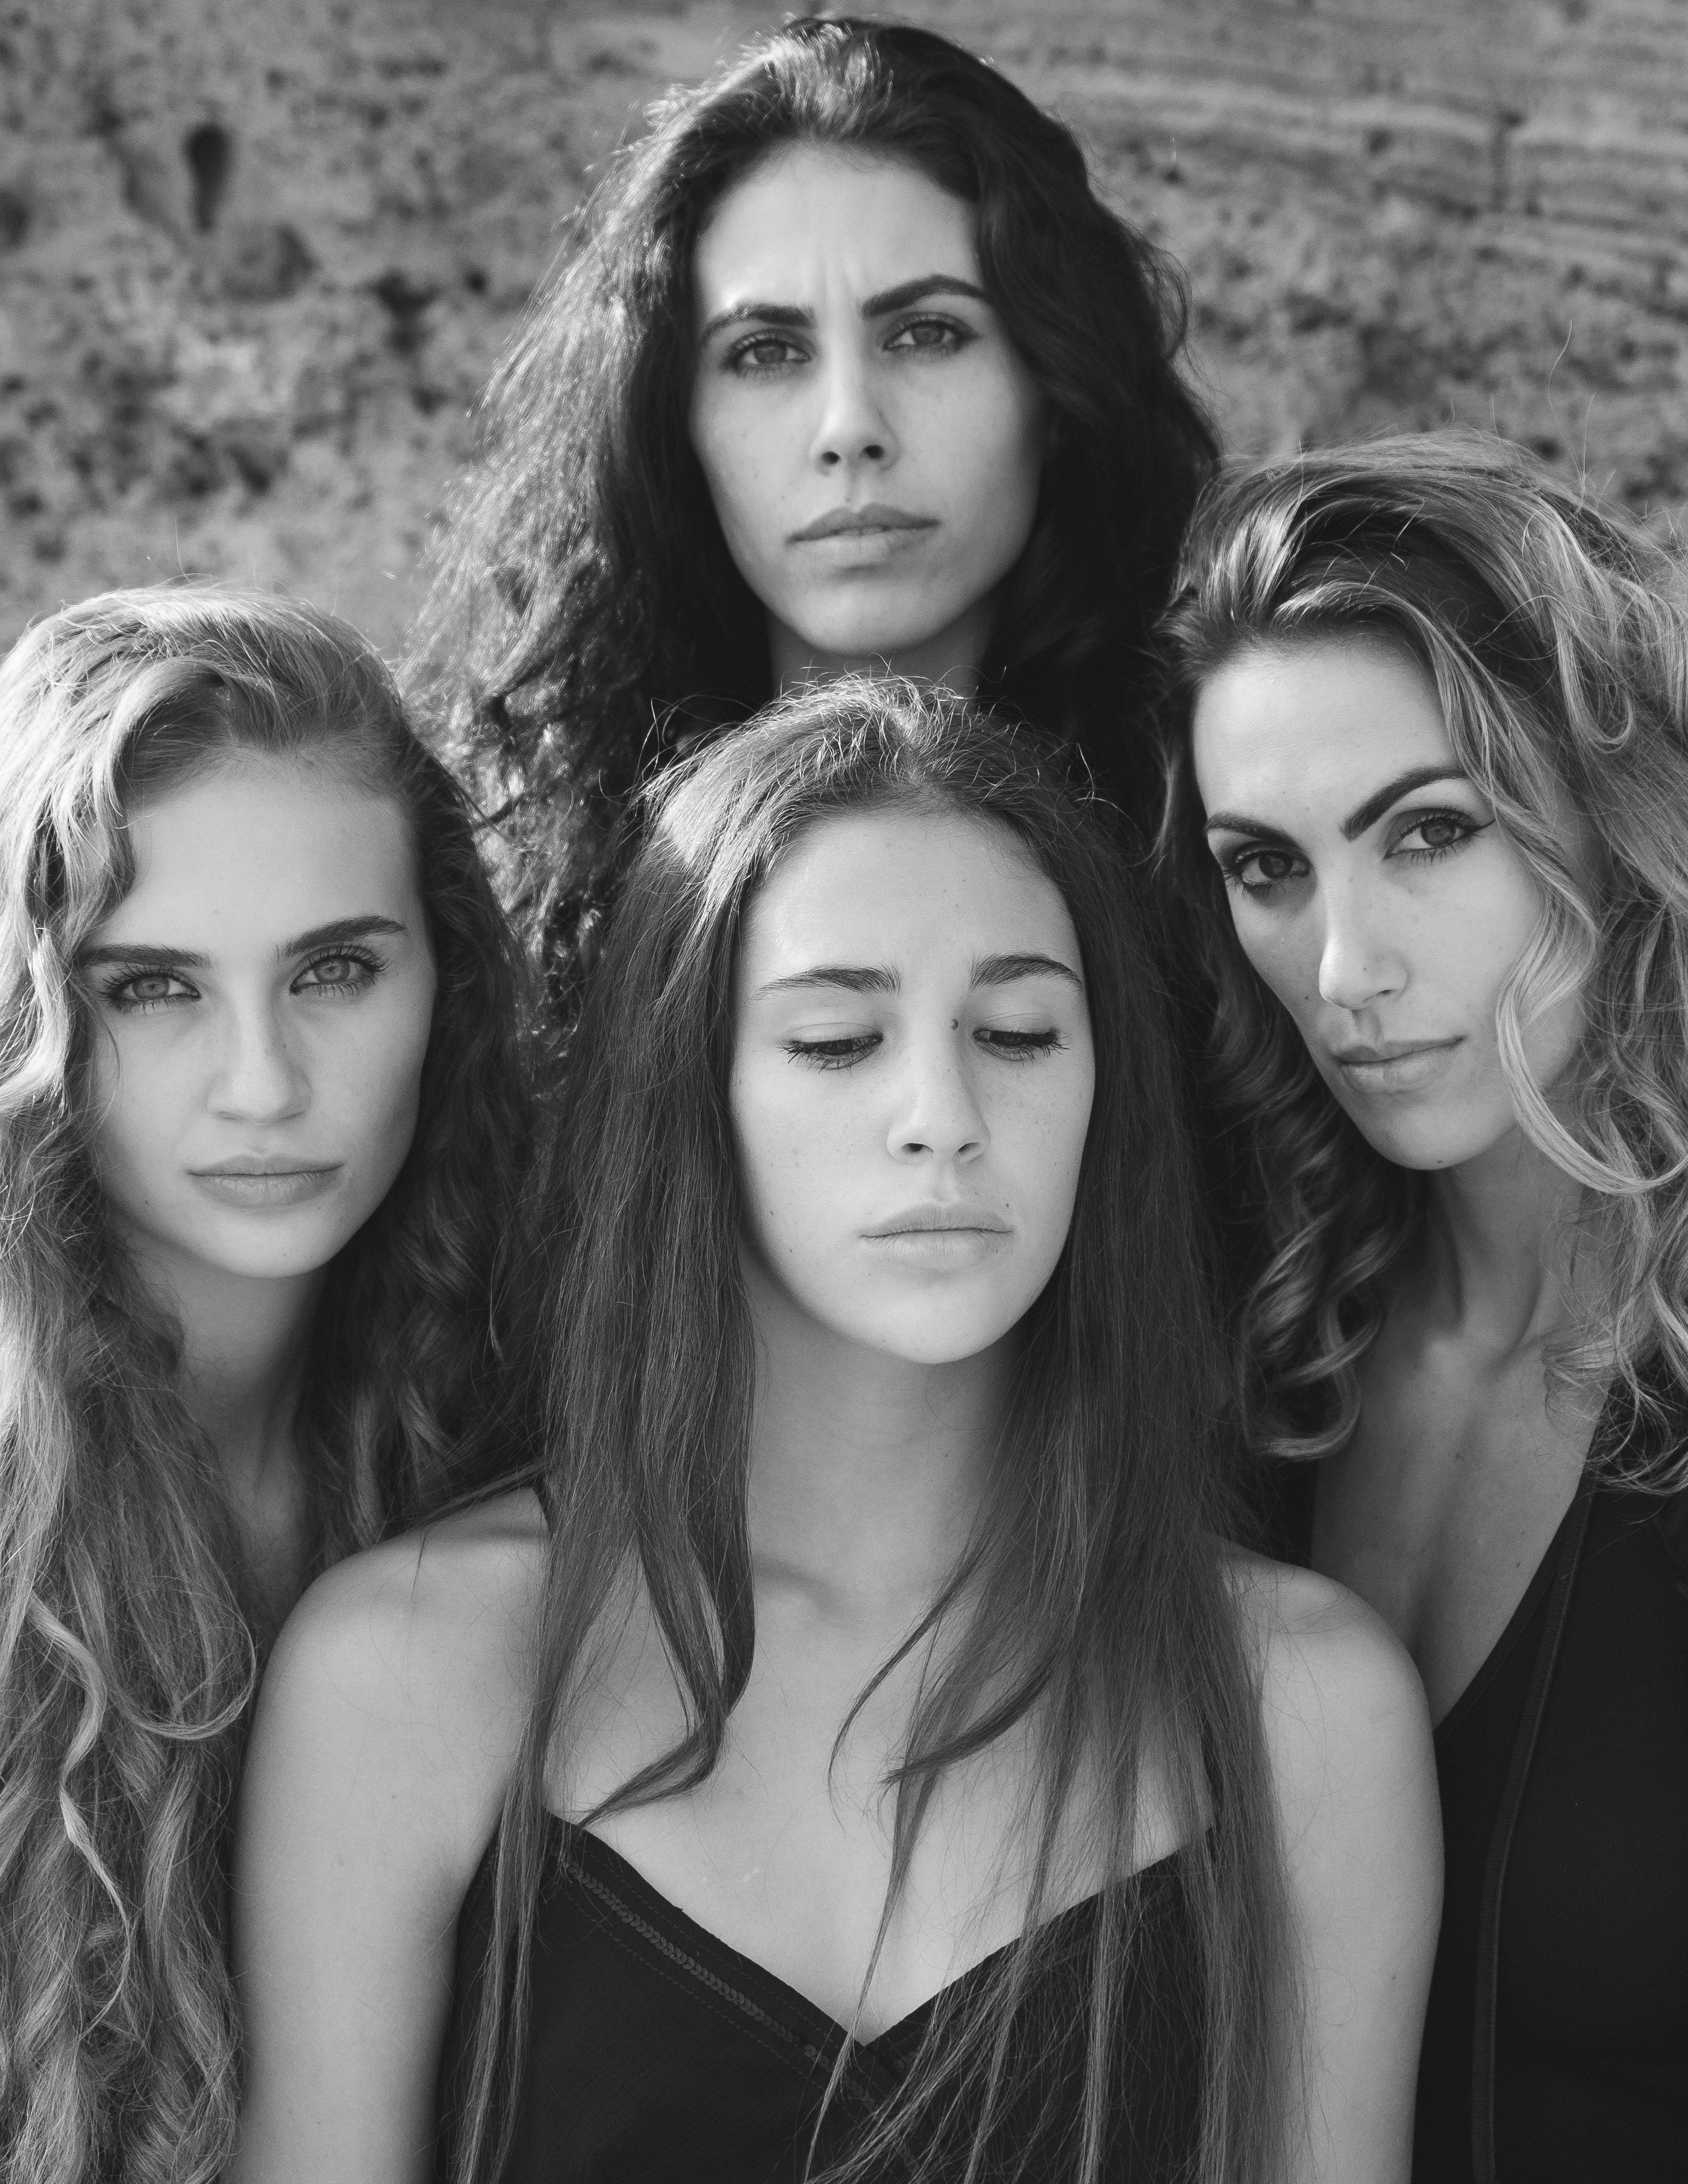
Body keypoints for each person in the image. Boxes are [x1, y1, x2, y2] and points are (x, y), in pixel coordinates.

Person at [233, 681, 1437, 2184]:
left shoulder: (1299, 1713)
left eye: (1014, 1030)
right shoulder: (409, 1672)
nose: (941, 1112)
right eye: (832, 1042)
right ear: (689, 1094)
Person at [1157, 430, 1688, 2183]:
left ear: (1618, 818)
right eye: (1269, 866)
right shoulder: (1251, 1354)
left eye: (1433, 833)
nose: (1343, 969)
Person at [0, 586, 531, 2184]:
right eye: (150, 987)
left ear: (448, 975)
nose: (264, 1084)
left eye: (334, 971)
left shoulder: (509, 1411)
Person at [415, 15, 1218, 1001]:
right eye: (766, 353)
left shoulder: (1228, 855)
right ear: (672, 425)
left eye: (926, 334)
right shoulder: (515, 927)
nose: (849, 427)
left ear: (1055, 387)